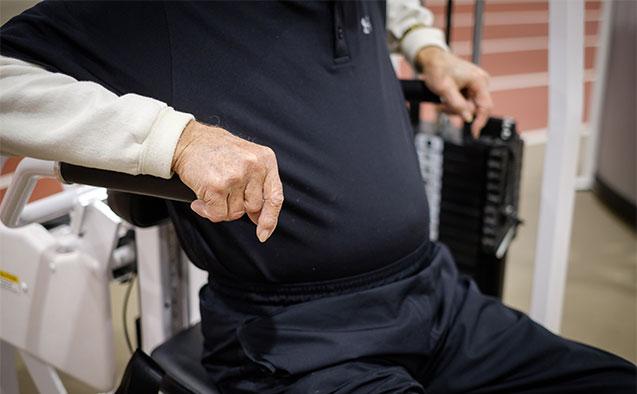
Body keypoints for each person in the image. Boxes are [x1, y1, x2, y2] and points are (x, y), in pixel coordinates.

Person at [0, 1, 634, 393]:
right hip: (298, 345)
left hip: (439, 302)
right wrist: (177, 140)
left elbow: (395, 8)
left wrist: (428, 48)